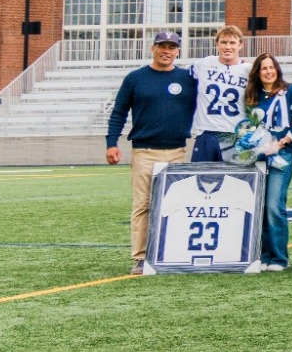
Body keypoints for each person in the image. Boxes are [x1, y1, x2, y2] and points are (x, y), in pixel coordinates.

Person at [105, 31, 199, 274]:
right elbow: (119, 112)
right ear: (152, 48)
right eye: (162, 46)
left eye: (172, 47)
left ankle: (172, 252)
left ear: (178, 51)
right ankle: (140, 257)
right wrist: (111, 143)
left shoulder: (188, 78)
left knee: (176, 205)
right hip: (145, 152)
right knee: (143, 205)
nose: (166, 51)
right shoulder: (135, 78)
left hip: (178, 151)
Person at [243, 53, 292, 271]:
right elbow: (249, 126)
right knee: (260, 206)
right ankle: (264, 255)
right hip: (259, 158)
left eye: (271, 67)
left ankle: (279, 258)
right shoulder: (253, 95)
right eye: (263, 68)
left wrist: (282, 142)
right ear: (257, 73)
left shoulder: (291, 92)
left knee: (273, 205)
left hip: (283, 154)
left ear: (277, 70)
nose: (268, 71)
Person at [188, 25, 249, 162]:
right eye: (223, 42)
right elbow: (180, 78)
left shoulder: (249, 70)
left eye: (232, 43)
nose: (228, 47)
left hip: (234, 134)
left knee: (233, 181)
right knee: (201, 180)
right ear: (217, 44)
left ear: (240, 45)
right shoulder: (204, 64)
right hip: (206, 132)